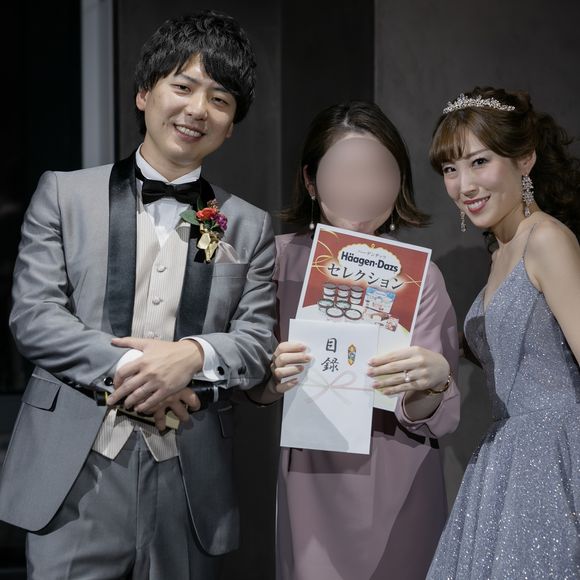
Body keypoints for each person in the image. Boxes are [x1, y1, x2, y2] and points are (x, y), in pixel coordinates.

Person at [0, 10, 276, 579]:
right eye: (183, 87)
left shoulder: (244, 223)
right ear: (144, 93)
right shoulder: (65, 195)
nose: (198, 109)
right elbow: (34, 317)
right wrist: (140, 369)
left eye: (220, 100)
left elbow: (256, 341)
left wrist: (193, 356)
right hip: (76, 471)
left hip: (189, 474)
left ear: (231, 126)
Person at [247, 101, 460, 579]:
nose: (362, 189)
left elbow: (429, 414)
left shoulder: (420, 277)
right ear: (311, 181)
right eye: (345, 172)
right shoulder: (276, 262)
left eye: (379, 172)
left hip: (399, 475)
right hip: (312, 472)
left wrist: (433, 381)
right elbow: (253, 384)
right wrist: (272, 378)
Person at [426, 86, 580, 578]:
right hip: (506, 460)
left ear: (524, 159)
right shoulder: (500, 253)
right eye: (450, 169)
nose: (464, 184)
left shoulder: (546, 239)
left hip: (554, 454)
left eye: (479, 162)